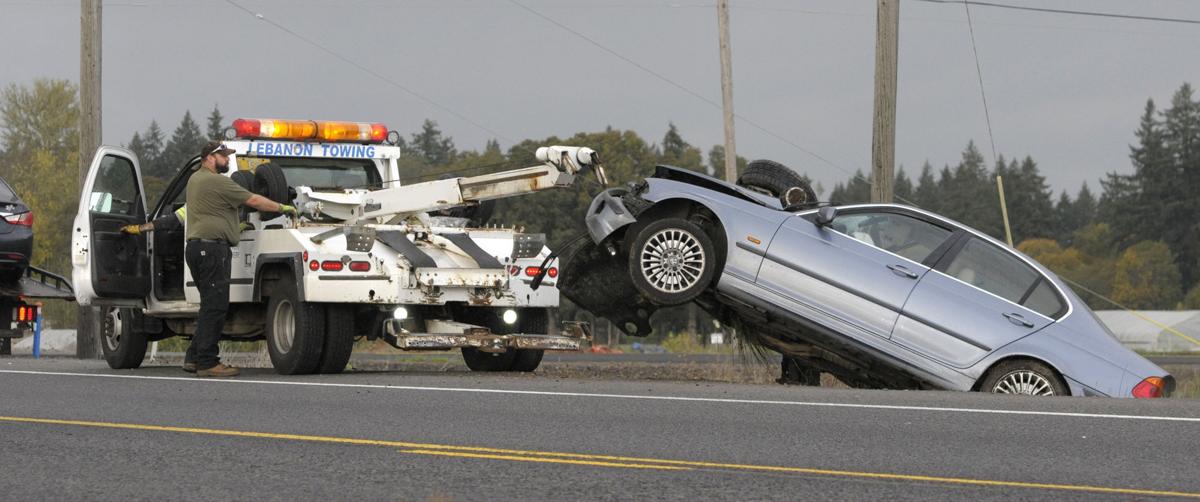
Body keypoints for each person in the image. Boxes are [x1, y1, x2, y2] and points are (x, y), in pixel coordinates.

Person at [181, 140, 296, 377]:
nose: (227, 160)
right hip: (212, 250)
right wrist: (282, 207)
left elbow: (214, 211)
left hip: (197, 248)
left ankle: (194, 357)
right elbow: (253, 200)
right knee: (216, 307)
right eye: (223, 156)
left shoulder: (195, 180)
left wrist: (234, 226)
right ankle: (207, 363)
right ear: (210, 158)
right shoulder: (217, 181)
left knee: (208, 307)